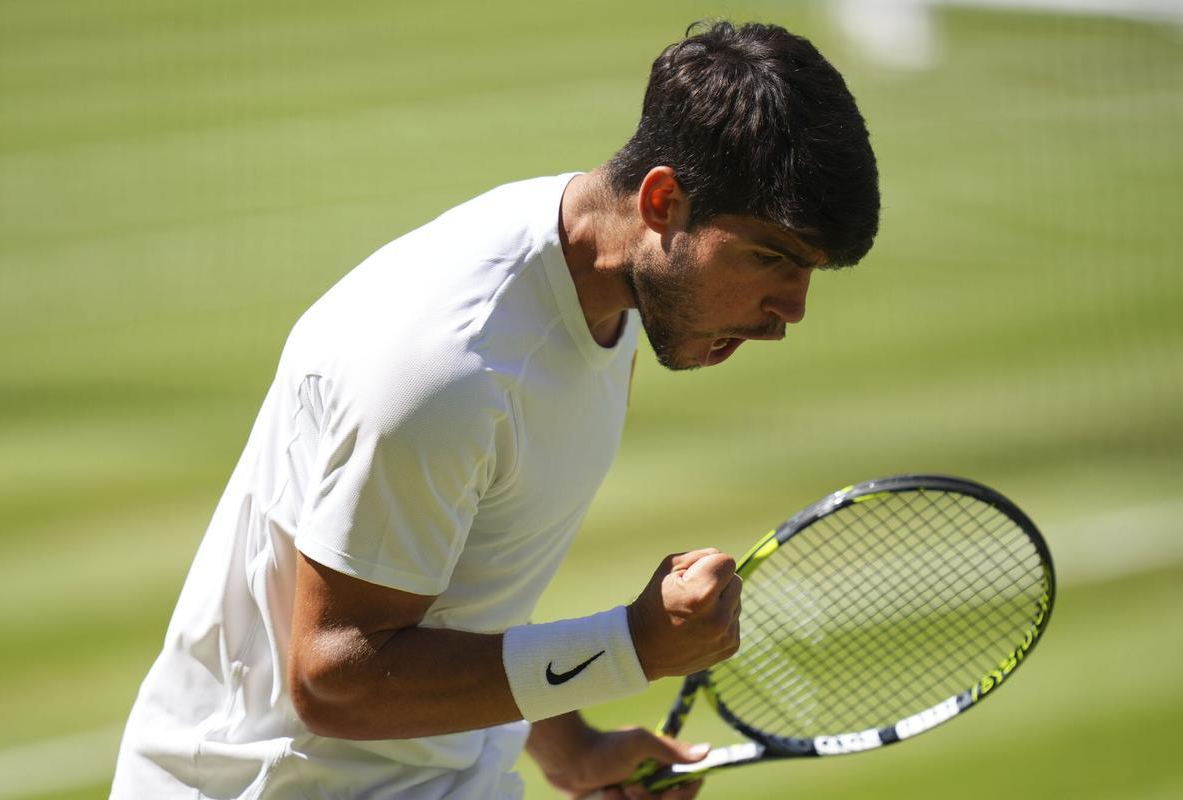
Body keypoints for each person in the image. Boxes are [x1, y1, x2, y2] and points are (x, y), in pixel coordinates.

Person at [111, 19, 879, 800]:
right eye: (771, 256)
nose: (792, 308)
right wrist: (631, 646)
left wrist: (572, 748)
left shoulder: (604, 296)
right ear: (661, 201)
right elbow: (334, 677)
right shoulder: (450, 368)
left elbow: (467, 592)